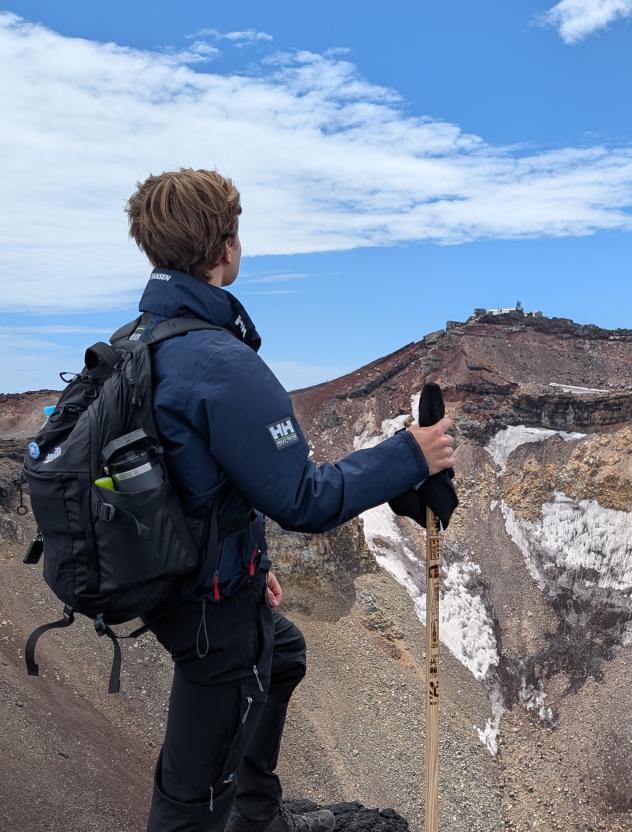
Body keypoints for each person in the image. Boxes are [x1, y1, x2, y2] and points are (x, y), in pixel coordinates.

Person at [124, 168, 455, 832]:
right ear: (223, 246)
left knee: (285, 649)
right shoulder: (220, 363)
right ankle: (233, 814)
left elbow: (196, 478)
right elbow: (304, 500)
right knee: (191, 795)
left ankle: (253, 812)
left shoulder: (144, 342)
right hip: (210, 613)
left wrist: (254, 561)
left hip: (178, 581)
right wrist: (410, 455)